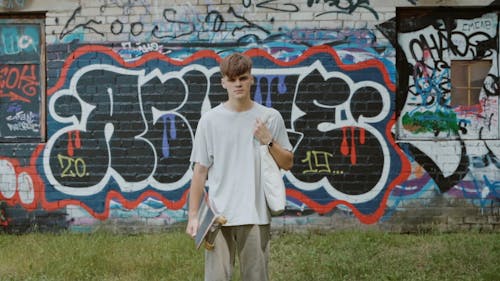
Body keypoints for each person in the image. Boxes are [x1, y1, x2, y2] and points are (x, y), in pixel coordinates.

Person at [185, 52, 294, 281]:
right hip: (218, 217)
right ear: (223, 82)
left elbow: (288, 162)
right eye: (232, 79)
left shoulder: (269, 117)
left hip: (255, 214)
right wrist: (193, 216)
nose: (238, 84)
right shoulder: (209, 121)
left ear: (251, 79)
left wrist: (269, 140)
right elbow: (200, 171)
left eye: (243, 78)